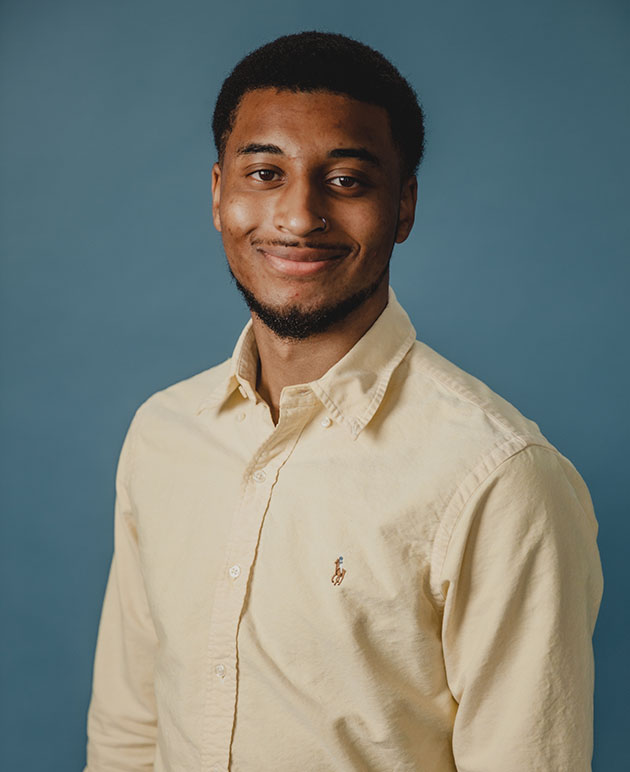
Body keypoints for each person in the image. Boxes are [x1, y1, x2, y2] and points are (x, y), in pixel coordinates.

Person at [84, 31, 603, 772]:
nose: (298, 217)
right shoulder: (163, 433)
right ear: (219, 194)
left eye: (347, 181)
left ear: (404, 206)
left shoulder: (500, 478)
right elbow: (127, 736)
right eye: (265, 173)